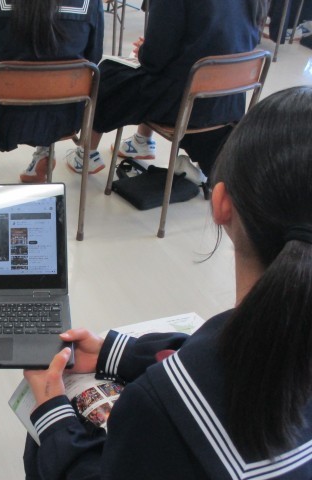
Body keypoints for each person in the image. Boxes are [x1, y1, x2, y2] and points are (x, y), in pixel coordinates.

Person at [22, 86, 312, 478]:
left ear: (221, 204)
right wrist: (115, 353)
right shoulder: (268, 332)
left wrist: (52, 412)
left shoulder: (160, 407)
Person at [66, 0, 267, 186]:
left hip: (186, 103)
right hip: (228, 99)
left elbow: (154, 59)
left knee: (108, 74)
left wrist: (143, 49)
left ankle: (86, 154)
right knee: (158, 71)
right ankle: (141, 142)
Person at [0, 0, 103, 185]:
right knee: (61, 70)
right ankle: (45, 150)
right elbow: (94, 56)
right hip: (65, 117)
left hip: (2, 118)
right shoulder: (90, 3)